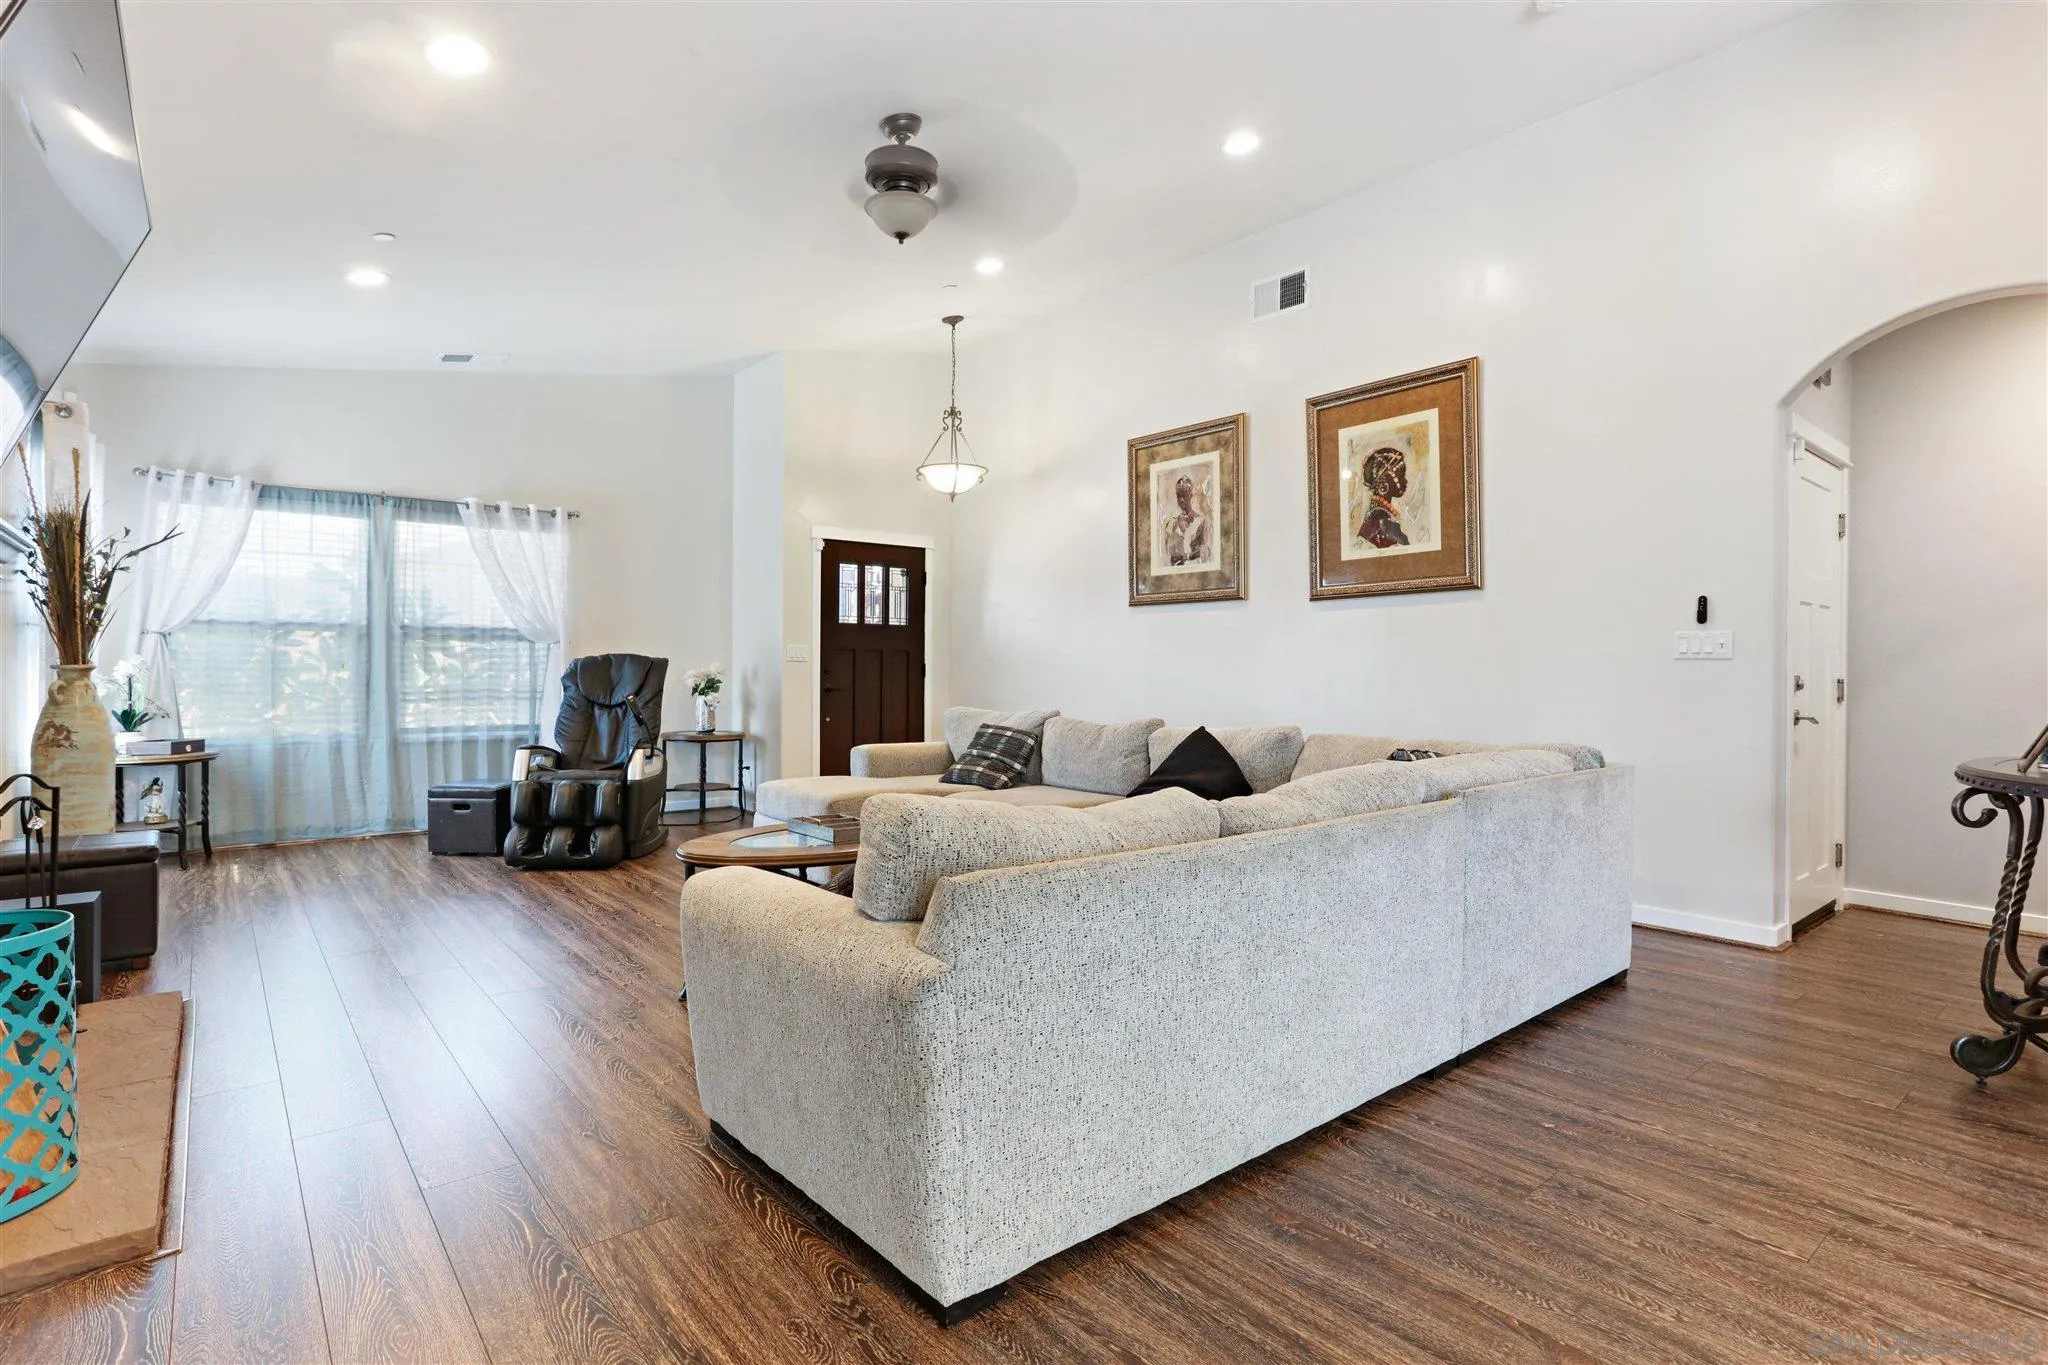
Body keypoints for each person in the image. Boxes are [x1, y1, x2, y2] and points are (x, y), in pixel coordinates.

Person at [1356, 447, 1410, 550]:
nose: (1405, 481)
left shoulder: (1376, 515)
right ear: (1384, 485)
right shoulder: (1382, 521)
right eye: (1401, 476)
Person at [1161, 473, 1211, 567]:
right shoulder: (1170, 523)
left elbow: (1205, 552)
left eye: (1184, 496)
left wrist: (1187, 556)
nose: (1181, 500)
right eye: (1179, 496)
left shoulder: (1201, 521)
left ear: (1191, 495)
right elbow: (1166, 552)